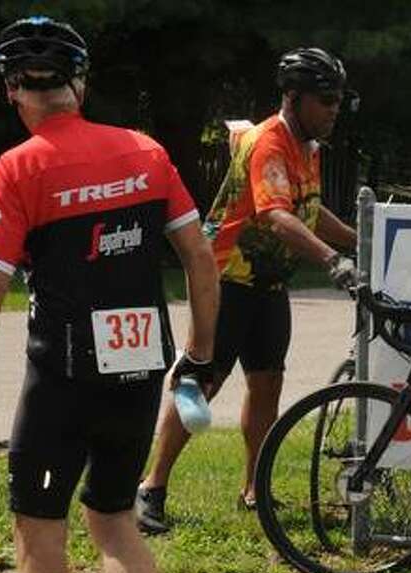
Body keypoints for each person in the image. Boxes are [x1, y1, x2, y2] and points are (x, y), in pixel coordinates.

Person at [0, 16, 219, 573]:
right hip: (138, 369)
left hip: (61, 377)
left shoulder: (22, 166)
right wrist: (200, 356)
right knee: (115, 519)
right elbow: (200, 258)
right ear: (80, 82)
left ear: (13, 91)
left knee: (41, 534)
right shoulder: (146, 152)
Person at [135, 47, 357, 534]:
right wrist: (332, 260)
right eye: (325, 99)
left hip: (269, 283)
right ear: (295, 98)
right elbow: (277, 217)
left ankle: (255, 488)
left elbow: (309, 211)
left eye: (339, 99)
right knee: (202, 384)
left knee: (267, 382)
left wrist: (362, 241)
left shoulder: (308, 148)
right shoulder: (268, 143)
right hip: (227, 280)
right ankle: (151, 487)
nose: (334, 108)